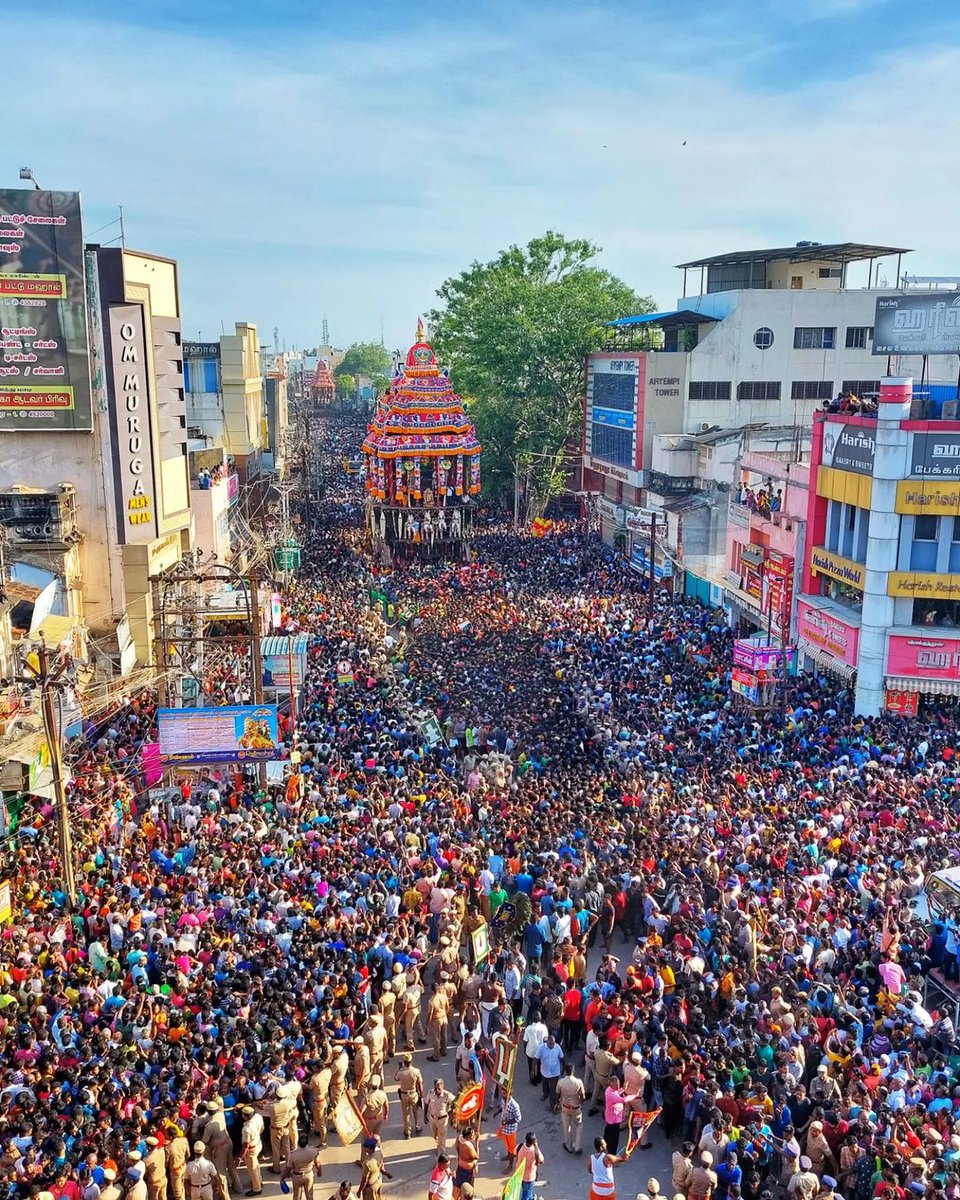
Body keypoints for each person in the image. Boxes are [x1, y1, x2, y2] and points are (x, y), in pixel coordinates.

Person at [557, 1061, 587, 1155]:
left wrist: (559, 1102)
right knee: (579, 1125)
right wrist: (580, 1102)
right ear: (573, 1071)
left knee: (567, 1126)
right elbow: (583, 1096)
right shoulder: (578, 1082)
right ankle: (577, 1147)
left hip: (565, 1107)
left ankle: (569, 1146)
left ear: (565, 1071)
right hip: (576, 1107)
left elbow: (558, 1093)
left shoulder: (561, 1082)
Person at [282, 1135, 323, 1200]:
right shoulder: (314, 1151)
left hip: (297, 1176)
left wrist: (283, 1177)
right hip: (308, 1175)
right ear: (307, 1142)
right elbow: (317, 1163)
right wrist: (319, 1172)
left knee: (297, 1197)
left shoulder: (293, 1155)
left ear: (298, 1143)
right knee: (309, 1196)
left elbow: (288, 1168)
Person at [394, 1053, 424, 1138]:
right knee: (416, 1111)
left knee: (406, 1114)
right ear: (411, 1061)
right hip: (413, 1093)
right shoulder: (416, 1071)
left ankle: (407, 1131)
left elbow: (395, 1078)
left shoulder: (401, 1072)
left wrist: (400, 1068)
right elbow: (420, 1083)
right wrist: (421, 1095)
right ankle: (417, 1126)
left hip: (404, 1094)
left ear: (404, 1062)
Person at [425, 1079, 455, 1153]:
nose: (437, 1091)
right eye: (435, 1088)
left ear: (443, 1087)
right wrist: (425, 1116)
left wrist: (452, 1116)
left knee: (442, 1137)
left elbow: (455, 1103)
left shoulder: (447, 1095)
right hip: (432, 1119)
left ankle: (441, 1154)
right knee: (435, 1135)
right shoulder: (430, 1093)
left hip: (442, 1120)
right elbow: (426, 1104)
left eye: (439, 1089)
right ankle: (439, 1146)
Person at [240, 1106, 264, 1197]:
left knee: (252, 1169)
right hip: (258, 1143)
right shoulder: (258, 1116)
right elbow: (262, 1128)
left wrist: (240, 1157)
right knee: (256, 1165)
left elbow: (246, 1145)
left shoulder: (247, 1129)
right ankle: (259, 1181)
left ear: (245, 1116)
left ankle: (257, 1188)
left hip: (251, 1149)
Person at [514, 1132, 544, 1200]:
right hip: (529, 1178)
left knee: (527, 1191)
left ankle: (532, 1198)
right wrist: (536, 1146)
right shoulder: (535, 1151)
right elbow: (542, 1160)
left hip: (519, 1174)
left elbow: (514, 1153)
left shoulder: (519, 1146)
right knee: (526, 1194)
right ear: (533, 1141)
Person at [453, 1123, 479, 1200]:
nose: (473, 1136)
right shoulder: (468, 1145)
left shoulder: (459, 1138)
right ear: (468, 1136)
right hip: (467, 1170)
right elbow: (476, 1157)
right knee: (467, 1189)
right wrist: (477, 1143)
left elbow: (456, 1146)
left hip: (460, 1166)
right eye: (472, 1134)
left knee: (459, 1186)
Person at [498, 1094, 522, 1168]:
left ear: (510, 1093)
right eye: (502, 1092)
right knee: (507, 1145)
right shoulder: (503, 1100)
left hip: (510, 1130)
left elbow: (518, 1118)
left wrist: (507, 1122)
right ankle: (509, 1155)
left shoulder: (514, 1105)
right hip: (503, 1128)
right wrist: (497, 1112)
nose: (502, 1093)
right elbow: (502, 1108)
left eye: (504, 1092)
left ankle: (510, 1165)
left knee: (512, 1148)